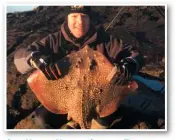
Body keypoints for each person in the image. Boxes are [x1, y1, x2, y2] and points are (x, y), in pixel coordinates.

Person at [14, 6, 152, 129]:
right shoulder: (53, 41)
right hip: (64, 100)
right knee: (42, 120)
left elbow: (135, 55)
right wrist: (34, 59)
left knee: (101, 124)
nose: (79, 22)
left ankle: (89, 125)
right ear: (67, 18)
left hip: (99, 100)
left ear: (90, 19)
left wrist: (129, 64)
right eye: (74, 16)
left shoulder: (106, 41)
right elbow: (19, 56)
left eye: (84, 16)